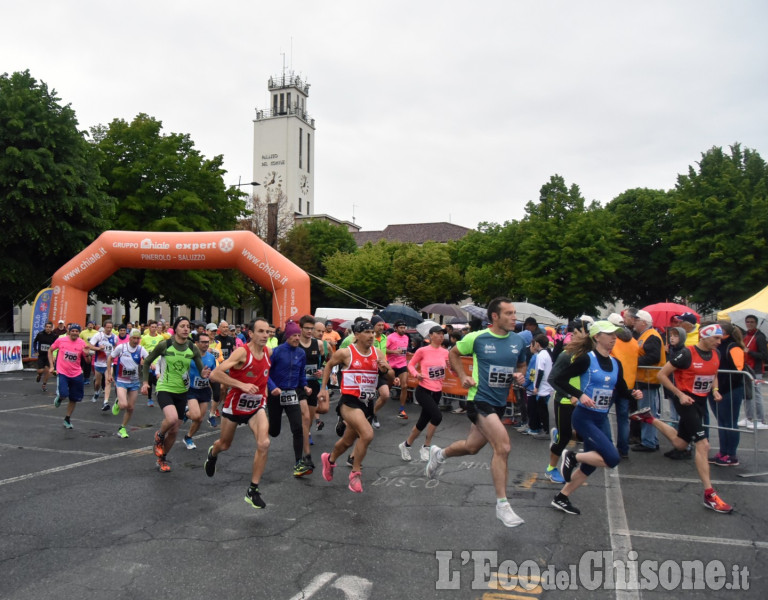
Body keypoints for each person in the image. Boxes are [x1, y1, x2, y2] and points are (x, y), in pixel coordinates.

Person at [425, 297, 528, 528]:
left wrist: (521, 375)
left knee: (472, 447)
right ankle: (503, 505)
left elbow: (521, 366)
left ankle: (439, 455)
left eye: (514, 313)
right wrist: (462, 376)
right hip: (478, 400)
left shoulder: (518, 341)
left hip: (499, 404)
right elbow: (452, 354)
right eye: (509, 313)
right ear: (495, 316)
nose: (514, 317)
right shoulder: (477, 338)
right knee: (503, 447)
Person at [632, 324, 734, 513]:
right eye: (716, 338)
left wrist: (716, 390)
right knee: (703, 445)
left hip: (701, 402)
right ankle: (709, 494)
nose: (720, 342)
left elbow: (714, 374)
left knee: (680, 444)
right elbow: (662, 375)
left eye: (720, 339)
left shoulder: (716, 354)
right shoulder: (687, 354)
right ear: (704, 337)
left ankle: (648, 418)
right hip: (685, 401)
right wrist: (679, 394)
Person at [551, 321, 643, 515]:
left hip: (601, 418)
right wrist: (580, 394)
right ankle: (572, 456)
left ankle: (561, 497)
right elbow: (559, 379)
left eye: (614, 334)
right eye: (609, 334)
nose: (613, 338)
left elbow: (620, 389)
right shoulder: (586, 359)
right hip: (584, 417)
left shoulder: (615, 362)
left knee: (592, 464)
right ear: (596, 337)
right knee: (612, 458)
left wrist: (632, 394)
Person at [319, 320, 393, 493]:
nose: (371, 336)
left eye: (372, 333)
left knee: (347, 441)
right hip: (349, 402)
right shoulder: (346, 353)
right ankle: (355, 474)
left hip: (367, 402)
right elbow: (329, 365)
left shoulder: (378, 353)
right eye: (367, 332)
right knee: (367, 434)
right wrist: (323, 388)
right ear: (357, 335)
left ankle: (329, 460)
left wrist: (385, 370)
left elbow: (390, 377)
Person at [205, 318, 272, 508]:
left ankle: (253, 490)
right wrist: (241, 384)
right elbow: (215, 374)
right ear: (250, 333)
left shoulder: (268, 352)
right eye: (261, 331)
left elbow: (265, 377)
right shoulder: (242, 352)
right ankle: (213, 453)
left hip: (257, 406)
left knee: (264, 443)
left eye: (267, 332)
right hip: (235, 406)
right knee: (225, 444)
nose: (265, 335)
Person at [141, 316, 210, 473]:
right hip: (165, 388)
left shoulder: (192, 347)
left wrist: (204, 373)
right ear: (176, 328)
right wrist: (145, 383)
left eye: (188, 326)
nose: (186, 328)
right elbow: (147, 362)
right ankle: (159, 435)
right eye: (182, 326)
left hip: (182, 391)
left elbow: (200, 369)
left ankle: (162, 459)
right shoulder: (165, 345)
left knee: (174, 430)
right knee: (171, 419)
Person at [544, 319, 591, 483]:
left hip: (581, 401)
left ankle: (558, 434)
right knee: (564, 438)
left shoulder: (588, 356)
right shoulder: (566, 355)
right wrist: (569, 395)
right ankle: (550, 469)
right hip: (564, 401)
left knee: (583, 434)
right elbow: (552, 379)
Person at [267, 321, 315, 477]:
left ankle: (298, 463)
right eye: (294, 335)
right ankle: (263, 426)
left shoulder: (301, 353)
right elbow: (265, 372)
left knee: (298, 428)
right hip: (275, 394)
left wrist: (305, 386)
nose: (297, 338)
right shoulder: (276, 352)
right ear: (287, 336)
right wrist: (273, 387)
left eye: (298, 335)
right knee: (274, 431)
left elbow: (301, 374)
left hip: (292, 394)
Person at [398, 325, 451, 462]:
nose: (441, 336)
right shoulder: (422, 350)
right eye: (438, 334)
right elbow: (410, 365)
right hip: (423, 390)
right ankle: (426, 447)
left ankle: (406, 445)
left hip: (437, 391)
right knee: (437, 416)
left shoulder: (445, 352)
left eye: (442, 334)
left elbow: (450, 368)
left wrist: (453, 369)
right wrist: (416, 374)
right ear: (431, 335)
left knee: (422, 422)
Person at [708, 321, 746, 466]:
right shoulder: (716, 346)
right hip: (717, 389)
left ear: (724, 332)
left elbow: (738, 371)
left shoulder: (733, 346)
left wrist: (721, 387)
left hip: (730, 390)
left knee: (730, 422)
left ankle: (731, 454)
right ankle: (723, 452)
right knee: (722, 422)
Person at [47, 324, 98, 429]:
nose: (75, 333)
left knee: (74, 398)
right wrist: (52, 366)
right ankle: (60, 398)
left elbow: (87, 361)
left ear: (79, 332)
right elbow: (50, 350)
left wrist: (88, 354)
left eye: (77, 331)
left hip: (76, 373)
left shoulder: (82, 343)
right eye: (73, 331)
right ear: (69, 331)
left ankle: (67, 418)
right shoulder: (61, 340)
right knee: (64, 394)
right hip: (62, 372)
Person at [632, 310, 666, 452]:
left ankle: (649, 442)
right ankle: (650, 440)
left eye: (637, 319)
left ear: (644, 322)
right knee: (646, 410)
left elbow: (654, 357)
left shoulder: (651, 336)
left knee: (646, 411)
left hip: (649, 379)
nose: (634, 322)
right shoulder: (647, 335)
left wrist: (633, 362)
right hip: (646, 379)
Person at [607, 313, 639, 459]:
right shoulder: (633, 341)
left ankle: (605, 446)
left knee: (602, 415)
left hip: (612, 383)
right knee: (623, 418)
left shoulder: (612, 340)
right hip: (628, 384)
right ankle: (623, 449)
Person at [107, 328, 148, 438]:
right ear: (130, 338)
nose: (136, 340)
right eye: (134, 338)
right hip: (121, 381)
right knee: (124, 405)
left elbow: (148, 360)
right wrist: (109, 374)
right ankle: (118, 402)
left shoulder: (141, 349)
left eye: (138, 338)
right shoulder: (122, 347)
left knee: (130, 408)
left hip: (134, 382)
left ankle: (122, 428)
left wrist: (151, 365)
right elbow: (110, 358)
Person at [297, 315, 330, 453]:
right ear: (301, 328)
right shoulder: (295, 342)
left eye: (312, 328)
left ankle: (307, 431)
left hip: (313, 382)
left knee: (310, 415)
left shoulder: (320, 344)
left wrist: (322, 370)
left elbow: (329, 361)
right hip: (298, 383)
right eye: (307, 328)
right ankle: (303, 438)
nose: (310, 331)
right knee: (304, 414)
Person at [183, 331, 218, 449]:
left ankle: (188, 437)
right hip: (191, 389)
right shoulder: (189, 355)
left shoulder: (211, 357)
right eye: (203, 342)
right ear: (196, 343)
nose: (206, 344)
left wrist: (213, 379)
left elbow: (214, 373)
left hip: (204, 390)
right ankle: (186, 413)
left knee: (200, 419)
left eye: (207, 342)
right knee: (196, 416)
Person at [740, 314, 768, 429]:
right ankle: (749, 417)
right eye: (747, 322)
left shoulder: (760, 337)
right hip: (745, 367)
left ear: (756, 323)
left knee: (756, 394)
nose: (749, 324)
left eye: (752, 322)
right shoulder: (745, 335)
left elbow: (764, 356)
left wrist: (750, 352)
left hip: (755, 369)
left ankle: (761, 419)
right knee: (747, 394)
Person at [386, 320, 411, 419]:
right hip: (391, 365)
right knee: (387, 388)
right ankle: (379, 402)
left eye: (404, 328)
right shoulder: (390, 337)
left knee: (404, 385)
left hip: (402, 364)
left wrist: (406, 352)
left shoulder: (406, 337)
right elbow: (384, 349)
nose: (403, 329)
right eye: (401, 328)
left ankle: (401, 409)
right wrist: (394, 351)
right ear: (396, 328)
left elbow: (403, 350)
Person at [90, 320, 116, 411]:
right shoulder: (98, 335)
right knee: (97, 383)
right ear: (104, 327)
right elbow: (90, 346)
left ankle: (105, 402)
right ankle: (97, 391)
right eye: (107, 327)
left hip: (109, 364)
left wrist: (114, 354)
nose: (109, 329)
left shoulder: (114, 337)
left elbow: (116, 347)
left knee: (108, 381)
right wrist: (98, 348)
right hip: (99, 362)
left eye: (110, 327)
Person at [140, 321, 164, 406]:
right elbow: (140, 349)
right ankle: (149, 399)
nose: (154, 328)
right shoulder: (144, 338)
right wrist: (142, 359)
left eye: (155, 327)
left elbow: (163, 349)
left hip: (158, 362)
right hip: (149, 362)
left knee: (157, 379)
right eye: (152, 327)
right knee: (149, 380)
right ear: (149, 328)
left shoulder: (160, 337)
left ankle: (159, 391)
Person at [33, 321, 59, 392]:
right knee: (41, 370)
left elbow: (57, 346)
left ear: (52, 328)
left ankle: (44, 384)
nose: (48, 328)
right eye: (46, 327)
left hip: (49, 356)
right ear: (45, 327)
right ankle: (39, 375)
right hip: (41, 355)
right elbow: (35, 342)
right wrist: (35, 351)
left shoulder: (54, 336)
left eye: (49, 327)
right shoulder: (40, 334)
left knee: (48, 371)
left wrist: (54, 355)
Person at [79, 321, 99, 386]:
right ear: (87, 326)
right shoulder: (83, 332)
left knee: (89, 365)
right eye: (89, 325)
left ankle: (87, 378)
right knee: (83, 363)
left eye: (91, 325)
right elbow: (79, 340)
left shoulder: (96, 332)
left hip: (93, 350)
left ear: (93, 326)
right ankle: (81, 377)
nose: (90, 326)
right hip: (85, 350)